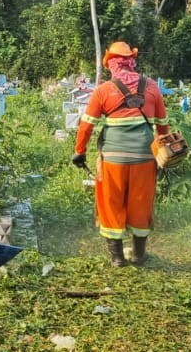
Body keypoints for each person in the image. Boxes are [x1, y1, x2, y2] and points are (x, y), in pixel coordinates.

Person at [71, 42, 170, 267]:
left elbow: (86, 126)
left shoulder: (104, 90)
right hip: (145, 159)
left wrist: (79, 152)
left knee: (110, 203)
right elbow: (163, 126)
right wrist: (164, 153)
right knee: (140, 203)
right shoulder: (152, 87)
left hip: (112, 160)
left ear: (111, 64)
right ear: (132, 62)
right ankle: (138, 255)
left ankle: (117, 258)